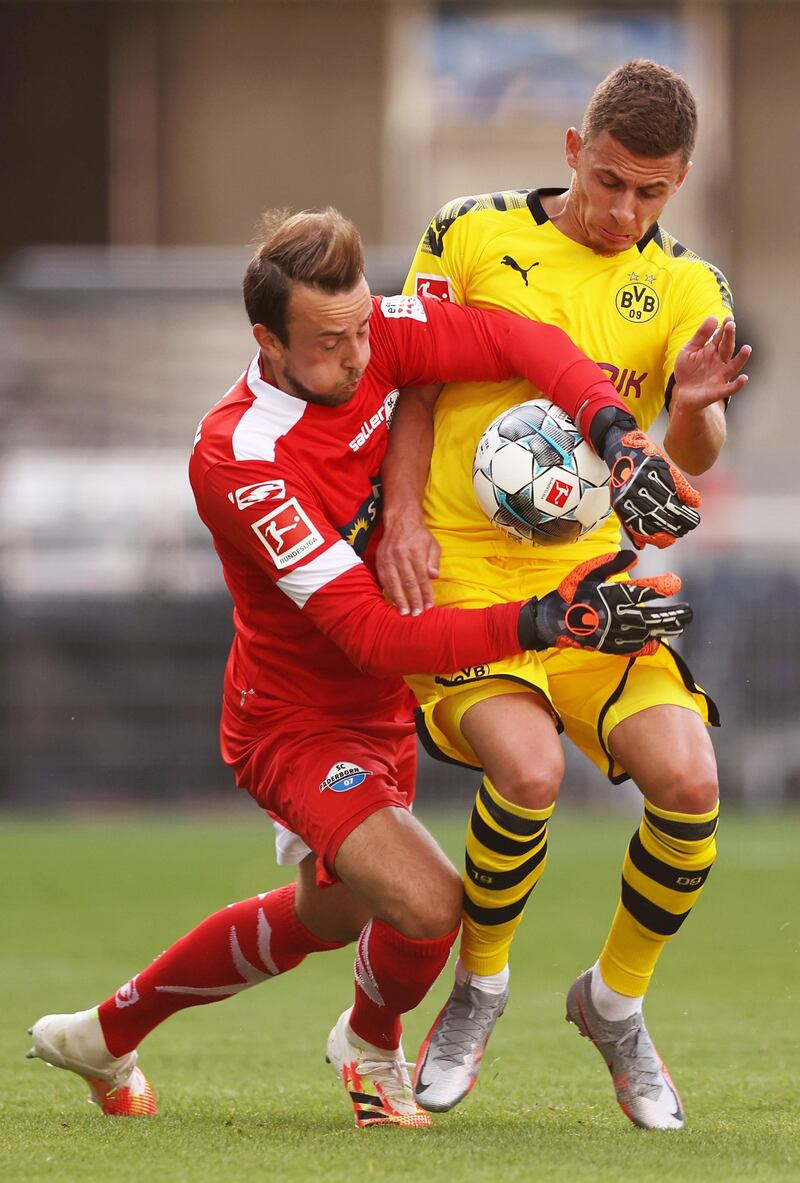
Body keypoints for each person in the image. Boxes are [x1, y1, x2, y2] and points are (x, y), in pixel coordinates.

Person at [26, 207, 695, 1130]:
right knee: (428, 906)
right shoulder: (241, 459)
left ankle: (104, 1035)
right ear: (267, 340)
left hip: (385, 707)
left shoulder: (374, 330)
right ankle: (370, 1046)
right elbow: (373, 635)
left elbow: (517, 337)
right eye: (329, 342)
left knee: (332, 914)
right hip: (295, 719)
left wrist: (615, 432)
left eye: (360, 330)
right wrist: (547, 622)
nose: (355, 355)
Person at [377, 60, 751, 1129]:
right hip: (460, 583)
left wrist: (688, 408)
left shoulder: (688, 285)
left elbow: (692, 461)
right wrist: (399, 515)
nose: (622, 210)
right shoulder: (468, 232)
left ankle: (612, 1004)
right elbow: (413, 380)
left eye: (650, 193)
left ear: (676, 185)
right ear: (571, 151)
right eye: (608, 182)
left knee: (686, 778)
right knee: (528, 767)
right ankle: (478, 988)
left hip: (592, 594)